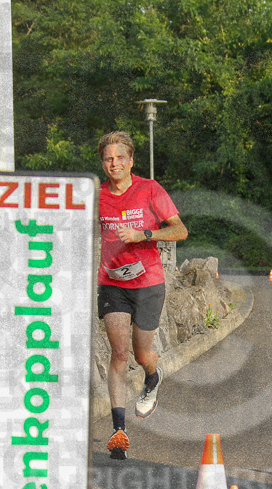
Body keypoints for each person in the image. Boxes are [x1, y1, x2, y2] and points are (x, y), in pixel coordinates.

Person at [97, 131, 188, 459]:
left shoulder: (150, 189)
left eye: (120, 158)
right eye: (108, 159)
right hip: (112, 282)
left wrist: (143, 234)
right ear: (102, 163)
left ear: (131, 160)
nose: (114, 164)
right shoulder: (97, 196)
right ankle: (118, 430)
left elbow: (180, 230)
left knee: (141, 354)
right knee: (119, 353)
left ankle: (153, 376)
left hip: (148, 282)